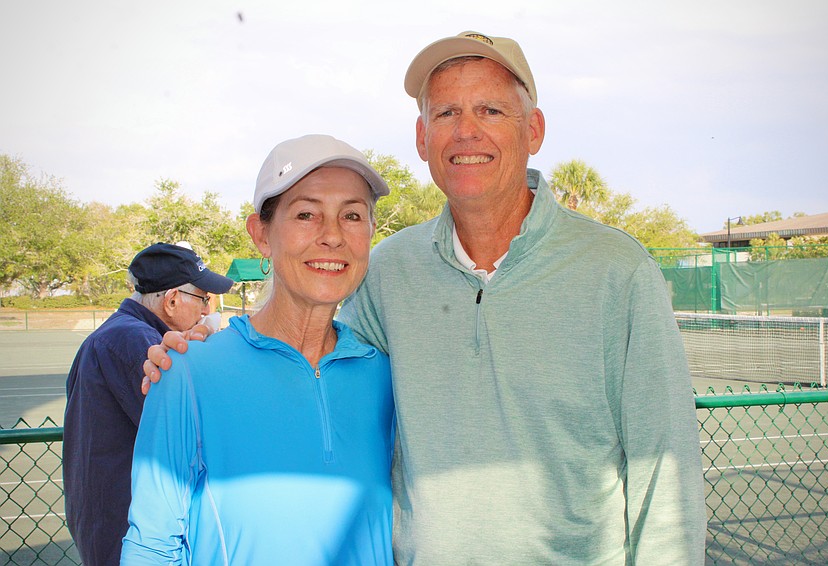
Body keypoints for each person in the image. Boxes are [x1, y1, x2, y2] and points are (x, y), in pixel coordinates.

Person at [146, 32, 707, 564]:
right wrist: (204, 343)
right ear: (422, 139)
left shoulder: (618, 272)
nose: (467, 132)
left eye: (490, 110)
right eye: (446, 113)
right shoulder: (388, 270)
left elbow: (666, 479)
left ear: (533, 130)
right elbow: (308, 343)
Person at [121, 135, 395, 565]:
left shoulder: (388, 376)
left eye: (352, 216)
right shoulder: (186, 373)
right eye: (306, 214)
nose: (332, 236)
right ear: (261, 234)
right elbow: (151, 545)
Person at [63, 242, 233, 566]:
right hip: (132, 535)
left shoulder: (115, 333)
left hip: (111, 525)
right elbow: (198, 431)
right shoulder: (140, 342)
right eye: (203, 298)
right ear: (172, 300)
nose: (206, 310)